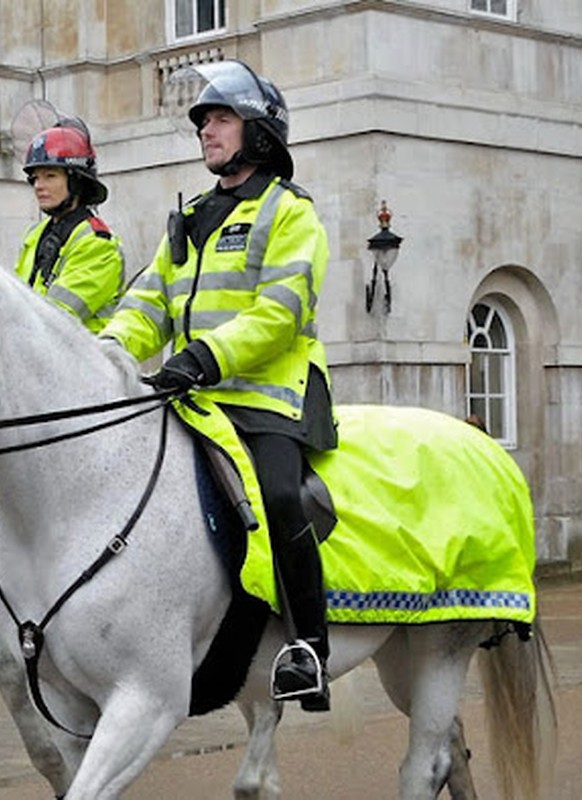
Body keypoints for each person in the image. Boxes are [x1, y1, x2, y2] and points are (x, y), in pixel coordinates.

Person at [101, 59, 337, 712]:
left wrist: (203, 357)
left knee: (283, 498)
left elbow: (280, 312)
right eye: (204, 120)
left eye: (222, 118)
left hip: (270, 395)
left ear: (260, 134)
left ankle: (308, 649)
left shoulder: (290, 214)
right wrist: (109, 354)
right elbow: (148, 302)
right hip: (195, 394)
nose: (207, 129)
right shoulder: (194, 218)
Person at [14, 117, 125, 333]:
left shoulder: (98, 244)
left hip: (84, 362)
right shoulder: (35, 235)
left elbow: (55, 317)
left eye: (50, 176)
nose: (38, 186)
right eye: (35, 178)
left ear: (76, 181)